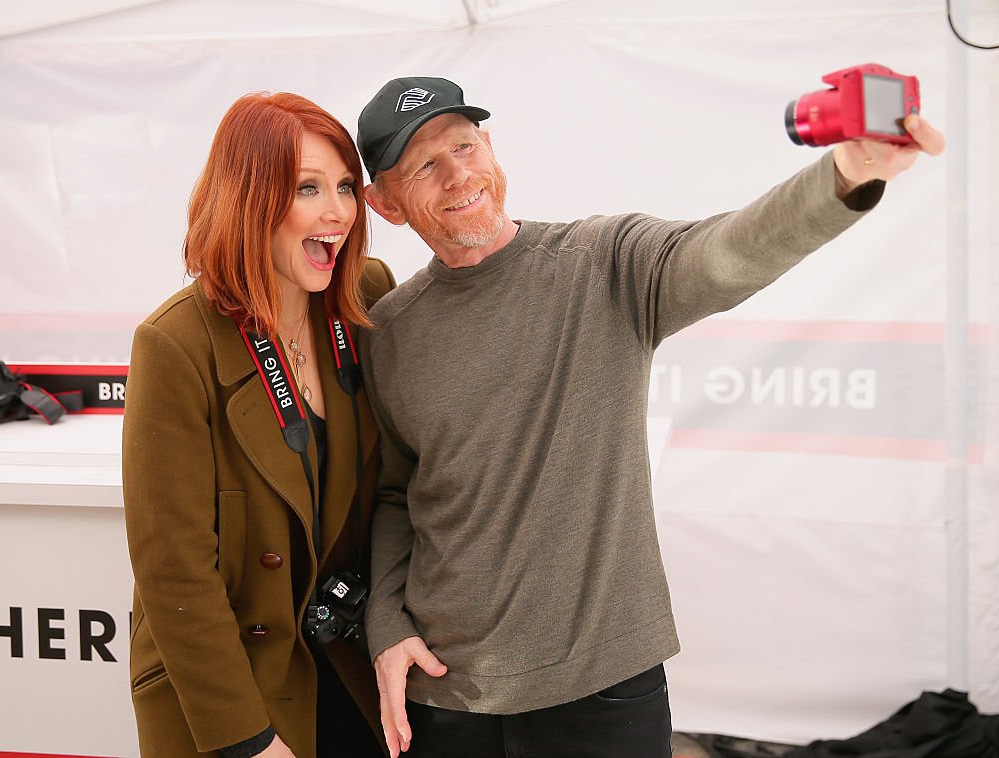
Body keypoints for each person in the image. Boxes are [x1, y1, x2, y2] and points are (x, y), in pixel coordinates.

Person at [353, 76, 946, 758]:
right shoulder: (390, 331)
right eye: (425, 164)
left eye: (464, 145)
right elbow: (398, 494)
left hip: (603, 688)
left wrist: (844, 174)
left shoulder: (603, 264)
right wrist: (386, 624)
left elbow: (727, 251)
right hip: (445, 694)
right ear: (386, 203)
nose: (458, 174)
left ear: (491, 147)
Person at [122, 91, 395, 758]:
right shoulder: (174, 343)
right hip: (227, 685)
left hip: (344, 654)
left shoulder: (367, 292)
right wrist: (247, 741)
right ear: (250, 199)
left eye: (343, 187)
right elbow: (173, 569)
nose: (337, 212)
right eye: (307, 188)